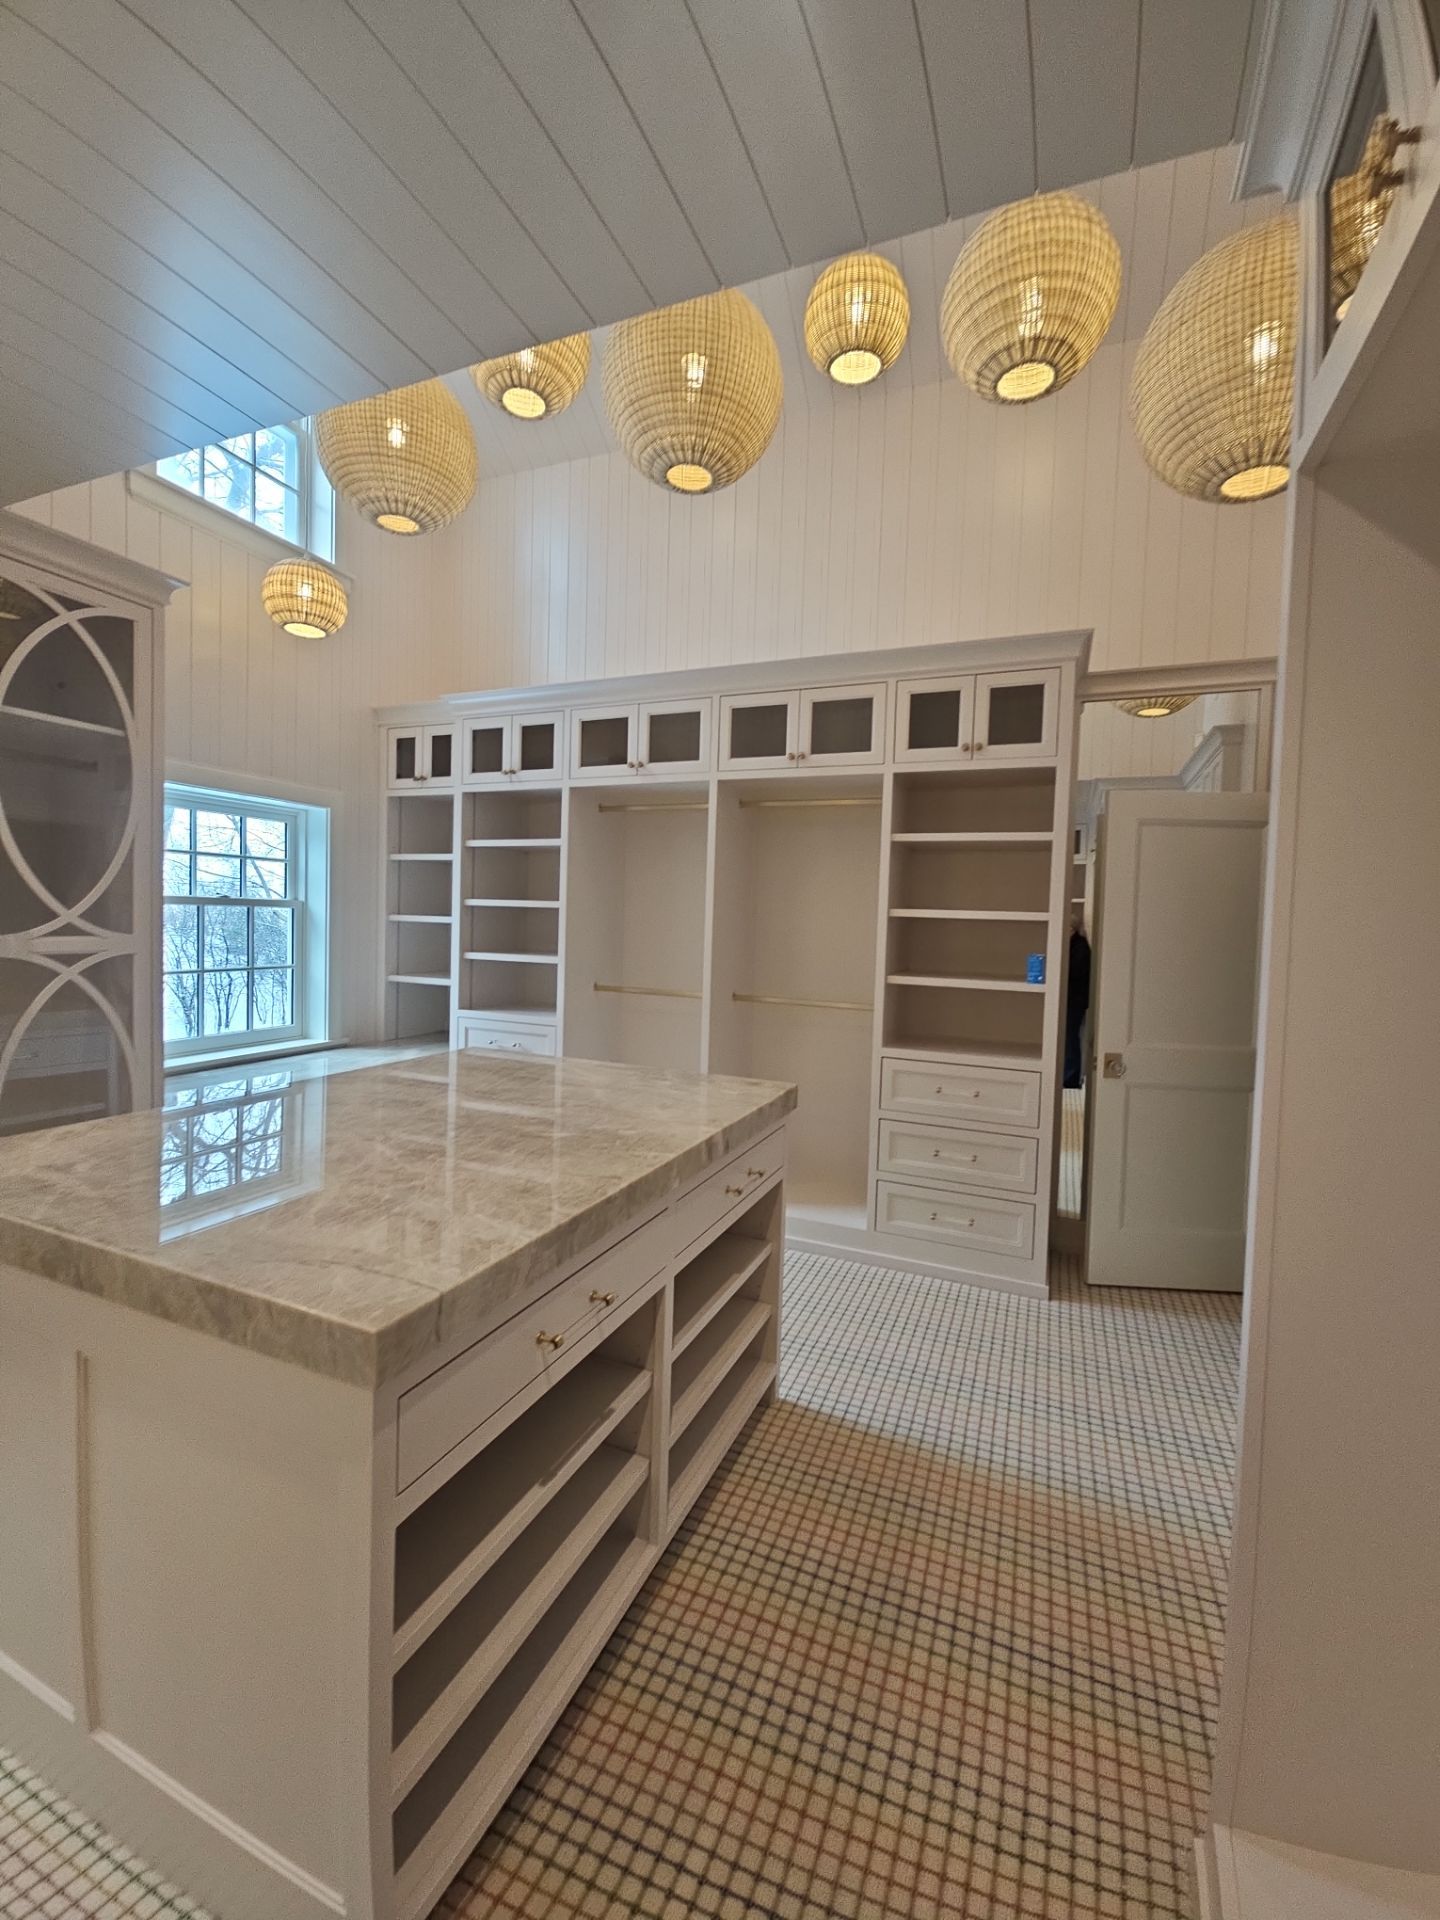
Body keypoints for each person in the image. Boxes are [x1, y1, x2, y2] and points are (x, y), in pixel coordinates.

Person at [1064, 911, 1091, 1089]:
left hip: (1075, 1002)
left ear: (1071, 929)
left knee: (1070, 1039)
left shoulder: (1079, 947)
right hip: (1071, 1000)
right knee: (1068, 1038)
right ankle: (1067, 1076)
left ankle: (1070, 1079)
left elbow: (1074, 972)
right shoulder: (1073, 946)